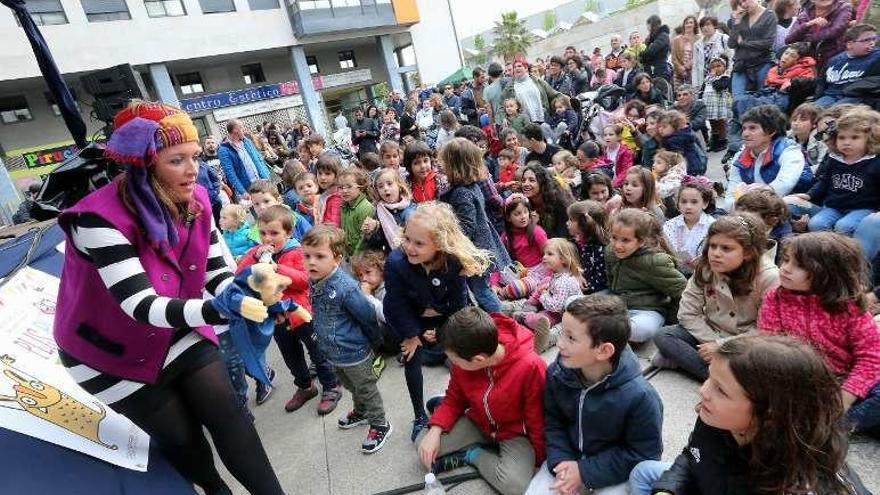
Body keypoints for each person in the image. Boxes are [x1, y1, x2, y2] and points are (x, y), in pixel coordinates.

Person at [53, 101, 284, 495]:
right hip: (106, 354)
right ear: (145, 164)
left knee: (229, 416)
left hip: (175, 325)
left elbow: (215, 274)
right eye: (177, 160)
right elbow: (139, 305)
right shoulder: (96, 219)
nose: (193, 169)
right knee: (185, 442)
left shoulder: (197, 202)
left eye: (194, 156)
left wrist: (247, 291)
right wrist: (218, 308)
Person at [629, 335, 871, 495]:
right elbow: (693, 454)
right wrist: (667, 490)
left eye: (721, 389)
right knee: (643, 472)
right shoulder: (717, 415)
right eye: (709, 378)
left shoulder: (795, 484)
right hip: (715, 484)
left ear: (770, 412)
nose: (703, 391)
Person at [528, 294, 663, 495]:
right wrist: (562, 460)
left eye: (571, 338)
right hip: (568, 458)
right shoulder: (558, 372)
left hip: (612, 470)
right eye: (562, 334)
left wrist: (584, 472)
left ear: (604, 351)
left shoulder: (640, 397)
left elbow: (643, 454)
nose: (560, 344)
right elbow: (553, 421)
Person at [384, 202, 493, 440]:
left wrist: (444, 331)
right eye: (407, 239)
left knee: (464, 351)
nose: (410, 247)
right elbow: (395, 304)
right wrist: (412, 335)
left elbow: (459, 302)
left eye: (419, 243)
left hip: (446, 314)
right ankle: (419, 415)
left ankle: (477, 399)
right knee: (412, 357)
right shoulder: (396, 263)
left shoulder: (452, 262)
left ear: (439, 244)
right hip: (410, 317)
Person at [759, 233, 880, 436]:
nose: (785, 268)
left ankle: (832, 426)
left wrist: (845, 398)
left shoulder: (850, 308)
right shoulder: (776, 298)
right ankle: (818, 424)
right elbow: (770, 346)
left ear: (827, 272)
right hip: (796, 376)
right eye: (786, 260)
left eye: (799, 265)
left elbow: (870, 358)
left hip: (844, 382)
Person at [417, 307, 547, 495]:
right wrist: (435, 429)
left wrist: (538, 461)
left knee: (514, 486)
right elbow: (454, 398)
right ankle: (441, 408)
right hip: (479, 420)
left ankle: (472, 455)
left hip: (515, 434)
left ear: (478, 359)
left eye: (455, 361)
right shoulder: (466, 361)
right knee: (422, 444)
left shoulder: (531, 366)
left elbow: (538, 421)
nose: (453, 364)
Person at [236, 206, 342, 415]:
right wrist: (254, 258)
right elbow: (240, 276)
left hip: (302, 315)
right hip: (276, 318)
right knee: (291, 356)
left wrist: (278, 269)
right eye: (263, 233)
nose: (268, 238)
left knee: (318, 352)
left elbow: (305, 280)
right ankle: (305, 386)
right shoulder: (256, 253)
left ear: (289, 233)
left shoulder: (296, 252)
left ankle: (331, 386)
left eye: (274, 233)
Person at [654, 213, 779, 380]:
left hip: (746, 342)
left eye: (726, 248)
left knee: (765, 362)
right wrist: (714, 343)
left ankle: (702, 368)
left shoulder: (769, 278)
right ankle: (723, 377)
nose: (716, 254)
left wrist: (722, 346)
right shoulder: (706, 267)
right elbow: (687, 313)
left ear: (748, 252)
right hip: (708, 333)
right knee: (664, 335)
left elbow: (766, 330)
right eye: (713, 246)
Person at [301, 225, 391, 453]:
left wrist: (375, 341)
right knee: (351, 386)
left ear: (337, 259)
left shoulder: (346, 288)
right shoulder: (315, 280)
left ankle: (380, 423)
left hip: (354, 351)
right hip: (333, 351)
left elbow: (367, 316)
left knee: (366, 387)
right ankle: (360, 412)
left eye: (319, 256)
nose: (311, 262)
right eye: (307, 256)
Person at [440, 138, 509, 312]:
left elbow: (467, 226)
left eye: (445, 163)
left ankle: (503, 320)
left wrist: (449, 242)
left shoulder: (461, 193)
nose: (441, 166)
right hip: (480, 246)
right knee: (480, 288)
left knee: (481, 290)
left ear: (455, 165)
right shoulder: (472, 187)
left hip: (474, 250)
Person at [786, 107, 880, 237]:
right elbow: (824, 181)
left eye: (855, 137)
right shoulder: (834, 158)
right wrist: (809, 195)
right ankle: (826, 250)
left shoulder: (874, 161)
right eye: (842, 137)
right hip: (834, 206)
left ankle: (844, 251)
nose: (847, 142)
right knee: (816, 224)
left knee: (844, 226)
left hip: (863, 208)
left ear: (869, 139)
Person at [606, 209, 687, 343]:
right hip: (617, 305)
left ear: (641, 241)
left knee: (639, 330)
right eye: (614, 238)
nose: (617, 245)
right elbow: (610, 283)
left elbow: (682, 291)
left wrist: (671, 322)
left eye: (626, 240)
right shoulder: (610, 252)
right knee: (574, 303)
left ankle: (606, 329)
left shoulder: (655, 262)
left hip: (647, 311)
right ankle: (610, 328)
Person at [722, 105, 811, 211]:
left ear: (770, 131)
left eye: (752, 128)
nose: (745, 134)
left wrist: (753, 196)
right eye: (744, 128)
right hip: (759, 205)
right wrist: (736, 206)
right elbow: (730, 197)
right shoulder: (740, 156)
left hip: (796, 204)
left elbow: (783, 186)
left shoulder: (789, 150)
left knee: (788, 204)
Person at [513, 238, 583, 353]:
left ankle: (545, 339)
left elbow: (556, 306)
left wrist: (544, 294)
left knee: (561, 329)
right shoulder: (557, 274)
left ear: (563, 259)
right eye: (544, 254)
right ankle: (526, 317)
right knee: (544, 317)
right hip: (561, 312)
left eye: (550, 254)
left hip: (570, 316)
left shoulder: (563, 281)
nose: (544, 257)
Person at [815, 23, 880, 108]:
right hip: (830, 96)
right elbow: (821, 83)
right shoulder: (834, 61)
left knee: (835, 112)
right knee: (810, 111)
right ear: (850, 44)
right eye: (866, 40)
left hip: (857, 97)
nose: (872, 43)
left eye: (874, 39)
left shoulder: (877, 57)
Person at [662, 176, 716, 274]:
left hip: (705, 273)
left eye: (694, 202)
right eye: (683, 201)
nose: (688, 206)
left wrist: (704, 261)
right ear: (677, 203)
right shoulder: (670, 225)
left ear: (705, 203)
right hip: (675, 273)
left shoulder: (713, 226)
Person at [785, 0, 853, 69]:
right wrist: (808, 24)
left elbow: (836, 31)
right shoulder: (805, 13)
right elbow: (789, 39)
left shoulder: (843, 7)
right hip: (805, 61)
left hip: (832, 59)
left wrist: (806, 39)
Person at [362, 168, 416, 253]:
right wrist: (372, 231)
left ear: (399, 186)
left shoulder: (412, 208)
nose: (386, 188)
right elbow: (377, 244)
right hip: (393, 256)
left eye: (390, 184)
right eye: (380, 186)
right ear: (377, 191)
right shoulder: (378, 211)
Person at [219, 119, 271, 200]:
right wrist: (242, 191)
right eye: (242, 127)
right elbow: (230, 173)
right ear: (235, 130)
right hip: (249, 188)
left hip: (263, 181)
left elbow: (258, 159)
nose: (244, 129)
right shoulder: (224, 150)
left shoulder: (247, 141)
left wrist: (267, 175)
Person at [521, 163, 576, 238]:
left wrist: (537, 225)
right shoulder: (524, 202)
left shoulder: (559, 203)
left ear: (543, 183)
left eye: (532, 180)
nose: (525, 184)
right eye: (523, 180)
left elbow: (561, 239)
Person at [500, 56, 560, 123]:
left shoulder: (537, 81)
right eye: (515, 67)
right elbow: (501, 105)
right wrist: (504, 119)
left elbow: (554, 94)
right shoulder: (509, 87)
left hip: (543, 119)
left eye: (519, 66)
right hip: (524, 123)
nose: (517, 68)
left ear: (526, 68)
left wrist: (566, 103)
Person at [566, 200, 609, 294]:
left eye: (571, 220)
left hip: (601, 292)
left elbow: (600, 281)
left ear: (583, 223)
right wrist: (578, 275)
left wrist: (579, 286)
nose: (567, 223)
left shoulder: (600, 249)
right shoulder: (579, 242)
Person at [337, 168, 374, 257]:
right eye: (341, 187)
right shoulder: (343, 206)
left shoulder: (365, 207)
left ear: (361, 188)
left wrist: (355, 257)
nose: (344, 191)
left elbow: (364, 238)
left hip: (361, 256)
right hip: (348, 256)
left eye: (349, 187)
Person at [657, 109, 706, 176]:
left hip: (687, 168)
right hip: (695, 164)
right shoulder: (686, 133)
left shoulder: (673, 140)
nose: (661, 129)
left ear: (675, 126)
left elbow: (675, 158)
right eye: (659, 126)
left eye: (664, 127)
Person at [701, 56, 733, 152]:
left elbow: (719, 87)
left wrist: (713, 78)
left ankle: (722, 140)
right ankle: (714, 140)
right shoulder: (708, 78)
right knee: (712, 121)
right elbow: (703, 89)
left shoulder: (725, 78)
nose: (716, 69)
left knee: (721, 122)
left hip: (720, 104)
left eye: (719, 66)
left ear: (725, 67)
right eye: (713, 67)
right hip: (710, 105)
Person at [692, 17, 731, 92]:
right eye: (702, 26)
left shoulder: (724, 38)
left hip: (721, 80)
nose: (705, 28)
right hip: (705, 82)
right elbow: (695, 67)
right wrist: (695, 85)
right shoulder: (697, 44)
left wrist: (728, 76)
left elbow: (731, 59)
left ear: (714, 26)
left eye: (708, 25)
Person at [601, 124, 636, 189]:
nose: (607, 137)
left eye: (611, 135)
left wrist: (612, 185)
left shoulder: (626, 151)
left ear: (619, 137)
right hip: (604, 183)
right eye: (605, 135)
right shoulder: (602, 150)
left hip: (619, 186)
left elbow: (625, 172)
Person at [315, 154, 343, 227]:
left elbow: (332, 226)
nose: (322, 177)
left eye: (327, 174)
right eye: (320, 173)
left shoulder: (336, 198)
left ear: (336, 175)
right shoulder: (327, 192)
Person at [641, 15, 672, 80]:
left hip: (660, 69)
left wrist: (642, 55)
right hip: (652, 69)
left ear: (653, 24)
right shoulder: (652, 37)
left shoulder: (663, 36)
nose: (648, 28)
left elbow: (651, 51)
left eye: (649, 25)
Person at [672, 15, 700, 87]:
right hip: (679, 73)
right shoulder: (677, 39)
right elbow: (674, 57)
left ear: (695, 25)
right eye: (686, 23)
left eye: (691, 23)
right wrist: (680, 68)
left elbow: (699, 55)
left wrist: (687, 66)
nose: (688, 25)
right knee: (679, 94)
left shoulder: (699, 39)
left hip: (694, 72)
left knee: (693, 94)